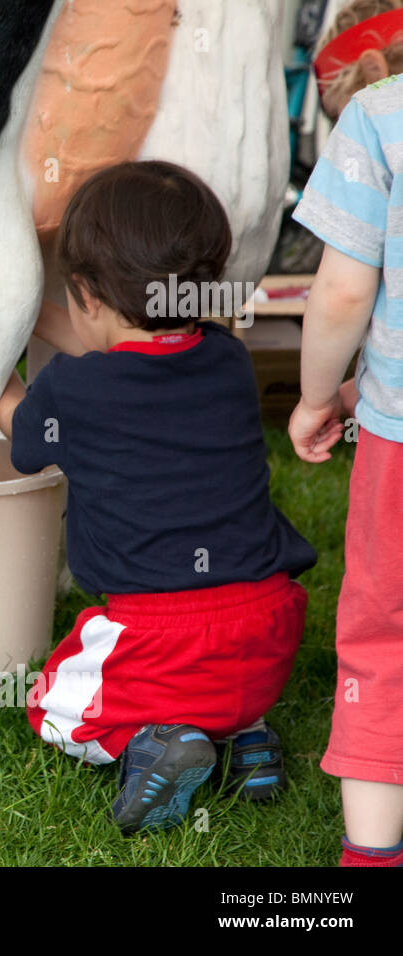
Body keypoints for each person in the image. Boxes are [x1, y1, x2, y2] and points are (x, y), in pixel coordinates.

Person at [0, 161, 316, 835]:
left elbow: (22, 433)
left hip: (159, 637)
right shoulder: (227, 360)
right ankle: (246, 740)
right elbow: (120, 350)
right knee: (221, 690)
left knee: (52, 708)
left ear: (83, 292)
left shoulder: (72, 395)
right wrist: (34, 313)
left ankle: (154, 744)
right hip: (269, 629)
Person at [290, 61, 403, 866]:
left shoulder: (380, 116)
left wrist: (315, 394)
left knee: (383, 637)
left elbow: (339, 293)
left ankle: (372, 853)